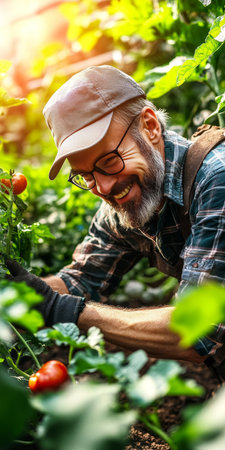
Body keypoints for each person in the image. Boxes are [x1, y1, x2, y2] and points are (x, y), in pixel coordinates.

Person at [6, 65, 225, 381]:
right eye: (85, 175)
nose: (103, 188)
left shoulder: (217, 180)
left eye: (109, 161)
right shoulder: (128, 199)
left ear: (149, 126)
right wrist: (20, 294)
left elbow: (197, 331)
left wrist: (63, 310)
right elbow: (83, 278)